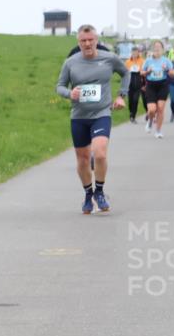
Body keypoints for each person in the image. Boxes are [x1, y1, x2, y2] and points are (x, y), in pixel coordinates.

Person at [55, 24, 129, 214]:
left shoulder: (109, 58)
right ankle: (88, 194)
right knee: (83, 159)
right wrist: (70, 93)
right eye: (83, 41)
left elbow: (126, 73)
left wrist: (122, 95)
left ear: (96, 40)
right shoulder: (71, 62)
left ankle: (100, 191)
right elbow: (60, 86)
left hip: (101, 113)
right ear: (78, 42)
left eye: (90, 40)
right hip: (79, 116)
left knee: (100, 153)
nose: (87, 44)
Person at [142, 41, 174, 138]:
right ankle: (150, 121)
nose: (157, 49)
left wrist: (166, 70)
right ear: (152, 49)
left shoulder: (166, 61)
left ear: (162, 49)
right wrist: (148, 71)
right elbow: (141, 72)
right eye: (155, 47)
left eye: (159, 47)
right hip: (151, 85)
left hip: (162, 84)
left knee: (160, 108)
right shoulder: (148, 60)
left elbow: (172, 74)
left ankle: (158, 131)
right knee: (152, 109)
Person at [125, 46, 146, 123]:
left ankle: (133, 116)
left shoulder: (142, 61)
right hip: (130, 84)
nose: (134, 54)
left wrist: (144, 83)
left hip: (138, 83)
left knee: (135, 100)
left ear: (138, 53)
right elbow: (125, 73)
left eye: (136, 52)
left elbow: (144, 72)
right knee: (130, 101)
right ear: (131, 53)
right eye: (133, 52)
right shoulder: (128, 62)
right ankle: (131, 112)